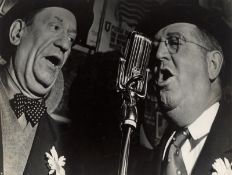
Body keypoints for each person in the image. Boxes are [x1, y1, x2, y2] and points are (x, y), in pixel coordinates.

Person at [129, 2, 232, 175]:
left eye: (174, 42)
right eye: (155, 48)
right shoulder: (148, 161)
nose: (158, 54)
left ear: (212, 64)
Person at [0, 0, 93, 174]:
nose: (65, 45)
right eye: (55, 27)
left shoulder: (64, 145)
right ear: (17, 32)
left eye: (71, 39)